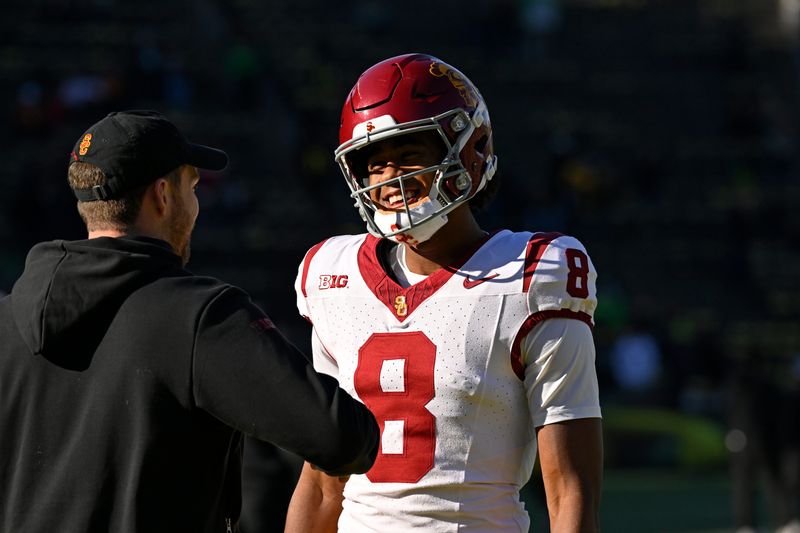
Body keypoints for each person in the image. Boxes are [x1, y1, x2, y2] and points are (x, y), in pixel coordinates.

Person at [0, 110, 379, 533]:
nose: (196, 205)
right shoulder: (203, 316)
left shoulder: (5, 318)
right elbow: (343, 438)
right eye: (192, 187)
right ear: (163, 195)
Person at [284, 54, 603, 532]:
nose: (389, 178)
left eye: (409, 154)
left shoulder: (533, 274)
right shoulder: (330, 276)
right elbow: (324, 482)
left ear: (468, 149)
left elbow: (569, 487)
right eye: (373, 164)